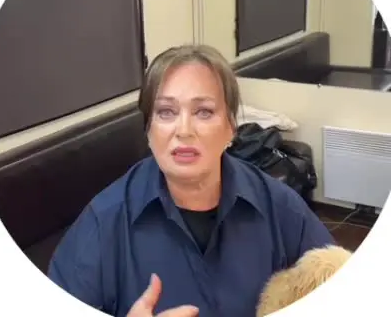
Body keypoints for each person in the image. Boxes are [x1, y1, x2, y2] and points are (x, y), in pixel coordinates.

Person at [48, 45, 335, 317]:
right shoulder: (103, 225)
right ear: (148, 130)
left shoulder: (279, 208)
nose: (184, 130)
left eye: (204, 112)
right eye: (166, 112)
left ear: (231, 128)